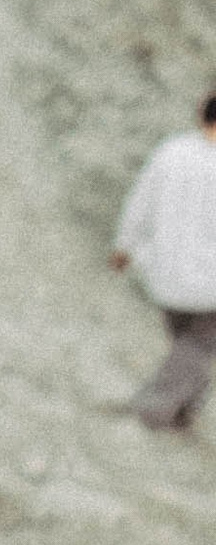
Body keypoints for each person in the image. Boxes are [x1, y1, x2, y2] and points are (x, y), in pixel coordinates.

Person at [112, 92, 216, 428]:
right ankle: (155, 411)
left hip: (164, 273)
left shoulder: (172, 152)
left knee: (187, 345)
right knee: (196, 347)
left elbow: (140, 201)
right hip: (208, 285)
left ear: (202, 115)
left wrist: (123, 247)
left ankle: (184, 410)